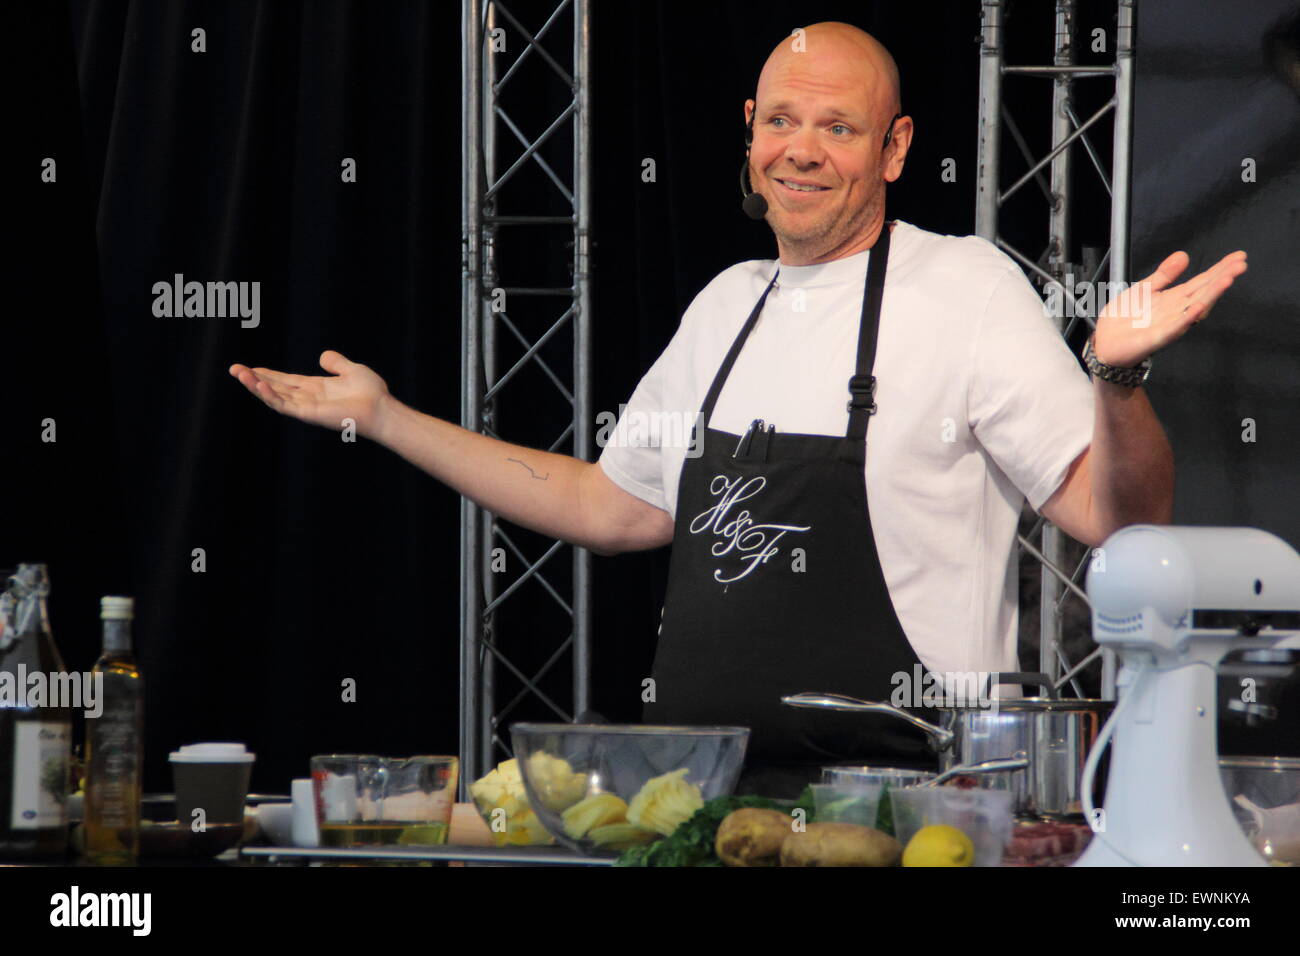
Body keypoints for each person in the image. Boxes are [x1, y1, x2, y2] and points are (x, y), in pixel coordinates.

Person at [231, 22, 1247, 794]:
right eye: (779, 121)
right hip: (704, 800)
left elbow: (1119, 519)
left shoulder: (965, 287)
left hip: (905, 802)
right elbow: (611, 506)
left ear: (893, 149)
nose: (800, 151)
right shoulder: (726, 303)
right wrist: (391, 415)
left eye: (836, 127)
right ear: (750, 133)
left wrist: (1114, 380)